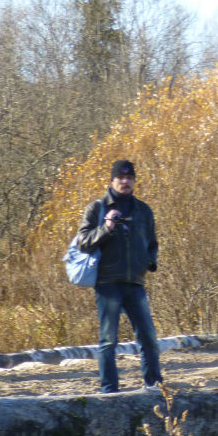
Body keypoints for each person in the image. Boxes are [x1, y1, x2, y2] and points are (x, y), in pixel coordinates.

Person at [75, 159, 164, 393]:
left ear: (134, 180)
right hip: (107, 283)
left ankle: (155, 388)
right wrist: (106, 227)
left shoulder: (143, 210)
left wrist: (150, 263)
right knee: (108, 341)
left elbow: (152, 243)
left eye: (129, 177)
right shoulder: (97, 208)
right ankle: (109, 391)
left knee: (148, 339)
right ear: (112, 180)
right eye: (120, 178)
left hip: (135, 283)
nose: (125, 182)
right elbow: (83, 243)